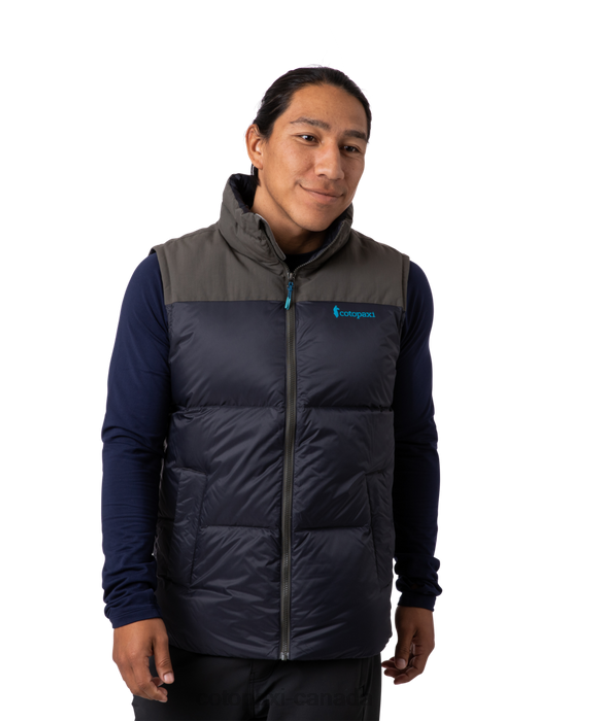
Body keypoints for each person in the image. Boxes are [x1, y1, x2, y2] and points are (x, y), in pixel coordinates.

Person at [101, 63, 442, 720]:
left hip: (337, 639)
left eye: (352, 147)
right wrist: (129, 602)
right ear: (255, 145)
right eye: (308, 138)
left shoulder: (397, 284)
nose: (330, 166)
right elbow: (131, 445)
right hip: (191, 639)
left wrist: (420, 589)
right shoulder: (167, 277)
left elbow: (412, 445)